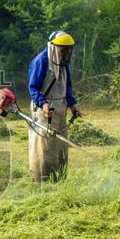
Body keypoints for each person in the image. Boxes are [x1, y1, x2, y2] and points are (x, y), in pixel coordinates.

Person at [28, 30, 83, 181]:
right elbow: (33, 88)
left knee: (60, 149)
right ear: (53, 47)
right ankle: (44, 182)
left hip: (61, 110)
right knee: (45, 149)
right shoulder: (41, 61)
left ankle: (60, 181)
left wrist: (73, 104)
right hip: (44, 112)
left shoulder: (64, 63)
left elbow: (67, 86)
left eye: (68, 50)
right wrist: (43, 103)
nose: (66, 53)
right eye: (63, 49)